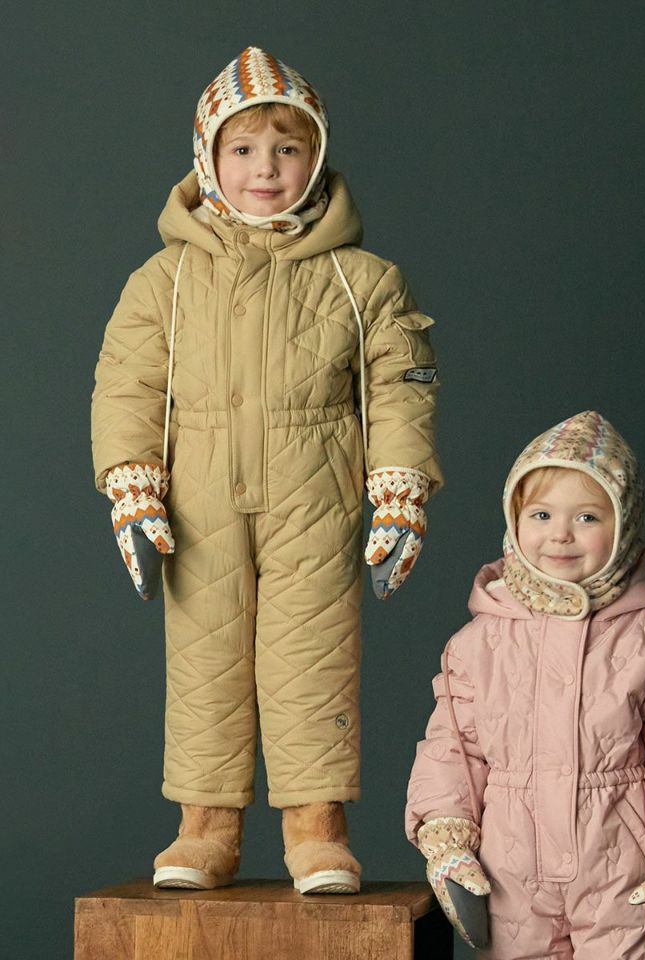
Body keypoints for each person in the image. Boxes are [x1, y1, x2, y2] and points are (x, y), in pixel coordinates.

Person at [91, 46, 441, 894]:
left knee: (312, 659)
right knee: (205, 663)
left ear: (315, 157)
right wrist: (131, 483)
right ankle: (205, 830)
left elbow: (400, 389)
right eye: (243, 149)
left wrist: (400, 488)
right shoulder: (165, 280)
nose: (266, 169)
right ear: (207, 157)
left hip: (314, 498)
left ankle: (318, 831)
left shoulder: (365, 281)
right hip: (198, 498)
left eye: (288, 148)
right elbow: (127, 383)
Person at [406, 410, 645, 959]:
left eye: (587, 517)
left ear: (624, 525)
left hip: (623, 869)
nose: (560, 533)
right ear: (514, 521)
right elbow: (452, 748)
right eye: (541, 514)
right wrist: (446, 832)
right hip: (511, 873)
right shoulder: (476, 643)